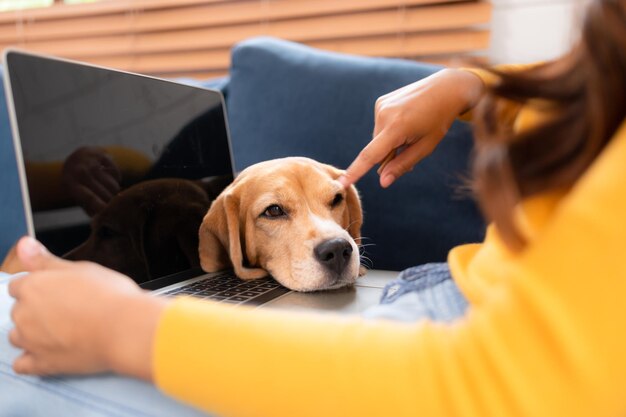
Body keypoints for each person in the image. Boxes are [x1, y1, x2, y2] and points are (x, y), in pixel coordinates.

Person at [2, 0, 626, 416]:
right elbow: (596, 92)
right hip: (465, 288)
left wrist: (126, 331)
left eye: (336, 205)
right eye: (277, 213)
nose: (333, 236)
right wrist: (478, 86)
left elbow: (491, 389)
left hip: (467, 349)